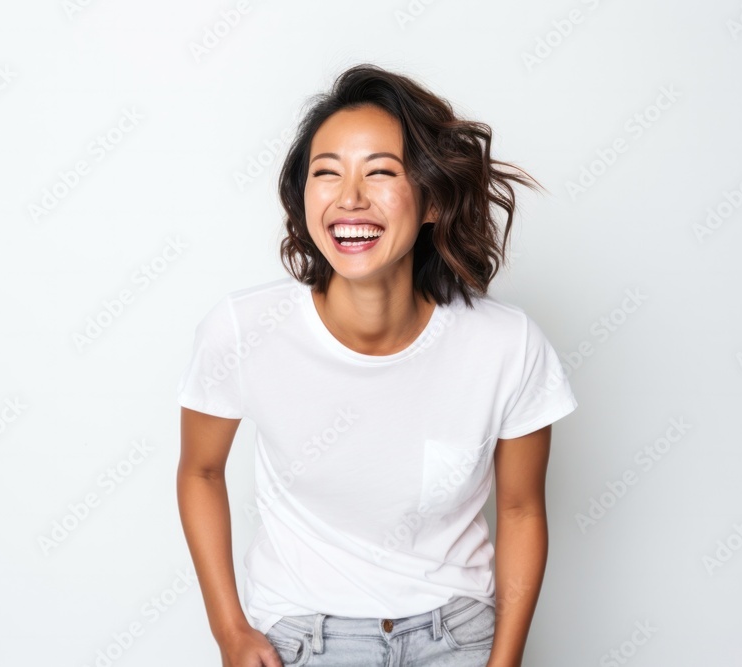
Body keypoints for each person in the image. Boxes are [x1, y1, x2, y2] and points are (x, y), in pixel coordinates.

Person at [176, 63, 577, 667]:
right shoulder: (243, 330)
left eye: (381, 172)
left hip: (457, 638)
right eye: (327, 173)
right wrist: (230, 631)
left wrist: (505, 661)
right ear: (303, 197)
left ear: (433, 201)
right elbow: (199, 473)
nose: (350, 198)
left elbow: (521, 509)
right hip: (300, 640)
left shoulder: (507, 344)